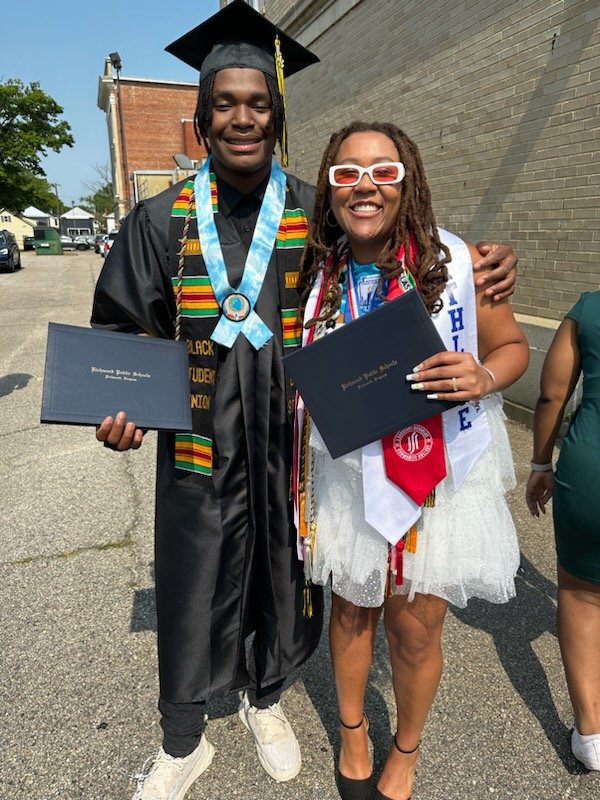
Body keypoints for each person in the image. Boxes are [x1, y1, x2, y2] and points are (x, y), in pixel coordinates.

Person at [91, 3, 519, 797]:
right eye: (225, 104)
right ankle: (184, 740)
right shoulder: (157, 223)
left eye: (258, 104)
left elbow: (401, 239)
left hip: (297, 446)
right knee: (191, 584)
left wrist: (487, 263)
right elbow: (120, 334)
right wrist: (112, 415)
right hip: (198, 446)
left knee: (283, 580)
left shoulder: (313, 212)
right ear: (202, 118)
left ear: (278, 116)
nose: (242, 119)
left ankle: (266, 699)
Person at [294, 121, 529, 800]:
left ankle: (407, 747)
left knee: (416, 630)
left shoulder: (460, 263)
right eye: (346, 173)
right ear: (330, 187)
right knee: (351, 611)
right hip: (348, 470)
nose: (365, 185)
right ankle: (354, 731)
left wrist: (485, 376)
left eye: (383, 171)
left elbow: (510, 346)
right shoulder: (316, 264)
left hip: (436, 475)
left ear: (410, 179)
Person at [525, 291, 600, 772]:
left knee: (581, 597)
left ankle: (591, 734)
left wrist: (539, 463)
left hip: (592, 471)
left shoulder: (589, 309)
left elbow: (553, 392)